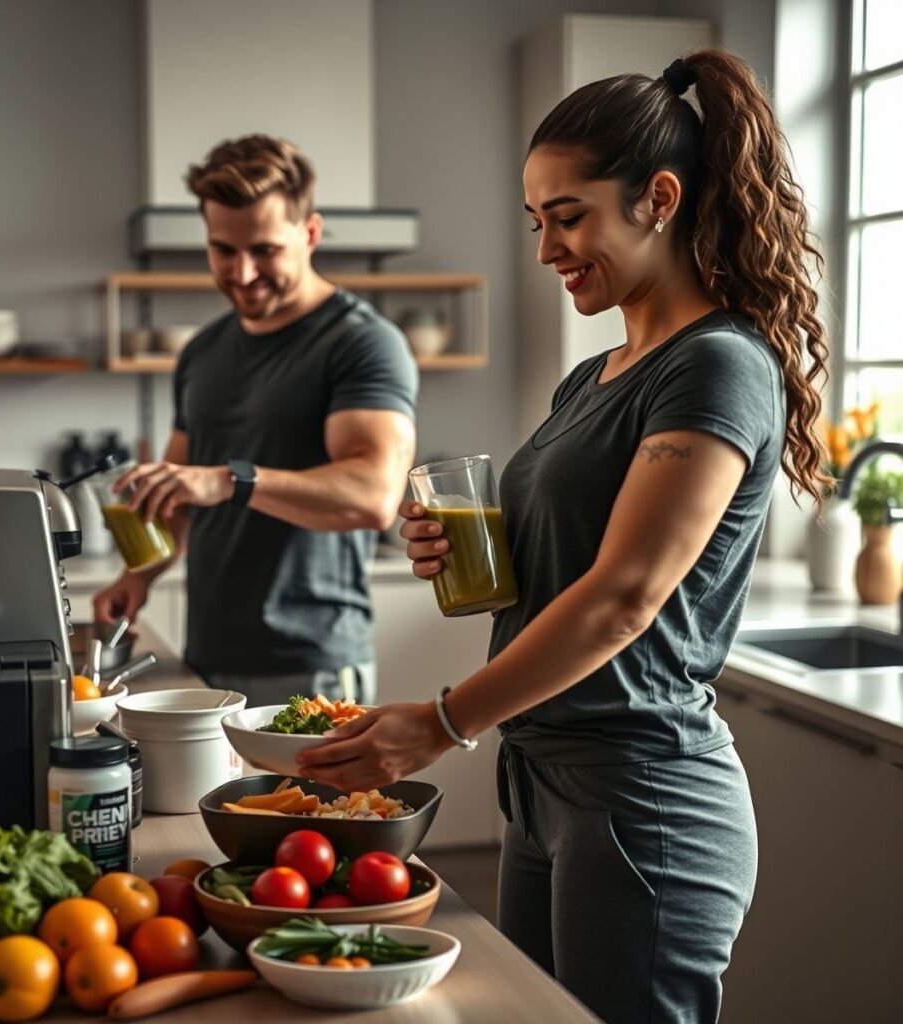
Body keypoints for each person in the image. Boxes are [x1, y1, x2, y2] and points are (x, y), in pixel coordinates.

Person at [297, 50, 830, 1023]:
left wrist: (442, 721)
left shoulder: (717, 365)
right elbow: (573, 558)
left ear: (658, 199)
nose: (546, 249)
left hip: (641, 794)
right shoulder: (592, 378)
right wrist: (468, 548)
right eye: (535, 220)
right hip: (542, 783)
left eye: (569, 216)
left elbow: (626, 595)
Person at [93, 134, 418, 707]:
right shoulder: (202, 352)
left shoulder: (362, 343)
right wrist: (137, 576)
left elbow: (373, 496)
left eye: (265, 250)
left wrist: (230, 480)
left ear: (309, 233)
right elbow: (177, 495)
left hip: (311, 665)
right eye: (223, 249)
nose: (242, 273)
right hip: (209, 656)